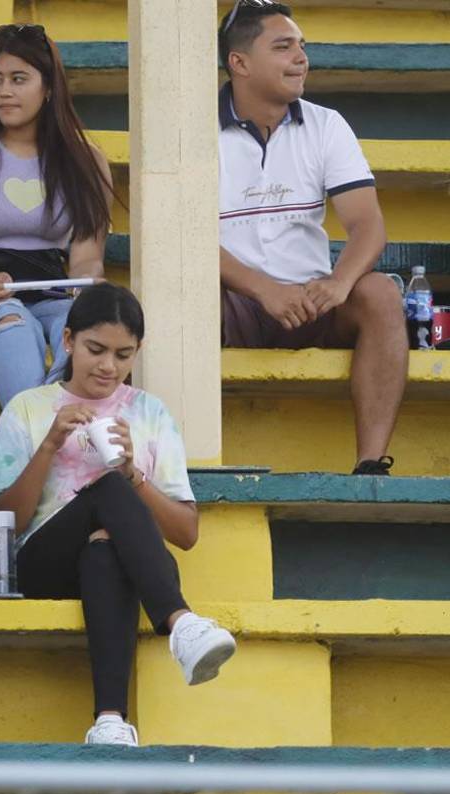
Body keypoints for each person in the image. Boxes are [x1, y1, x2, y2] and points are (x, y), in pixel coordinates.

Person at [0, 283, 236, 747]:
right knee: (107, 490)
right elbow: (1, 525)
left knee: (105, 543)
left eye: (123, 355)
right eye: (95, 350)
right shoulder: (28, 407)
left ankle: (110, 722)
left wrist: (133, 472)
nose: (108, 366)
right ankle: (179, 623)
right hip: (39, 564)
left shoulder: (149, 413)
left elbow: (185, 533)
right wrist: (49, 446)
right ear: (67, 341)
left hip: (110, 564)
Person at [217, 0, 405, 475]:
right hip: (228, 299)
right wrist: (263, 290)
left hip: (312, 299)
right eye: (283, 47)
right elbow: (180, 237)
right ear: (239, 62)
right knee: (162, 299)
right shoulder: (193, 130)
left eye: (302, 46)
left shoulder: (326, 124)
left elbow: (368, 225)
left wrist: (339, 284)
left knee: (380, 293)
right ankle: (168, 470)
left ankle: (369, 465)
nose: (301, 57)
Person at [0, 22, 114, 406]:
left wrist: (85, 280)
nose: (5, 91)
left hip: (51, 288)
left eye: (19, 79)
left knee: (83, 331)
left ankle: (62, 440)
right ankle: (34, 441)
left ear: (48, 87)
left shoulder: (86, 161)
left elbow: (87, 254)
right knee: (13, 323)